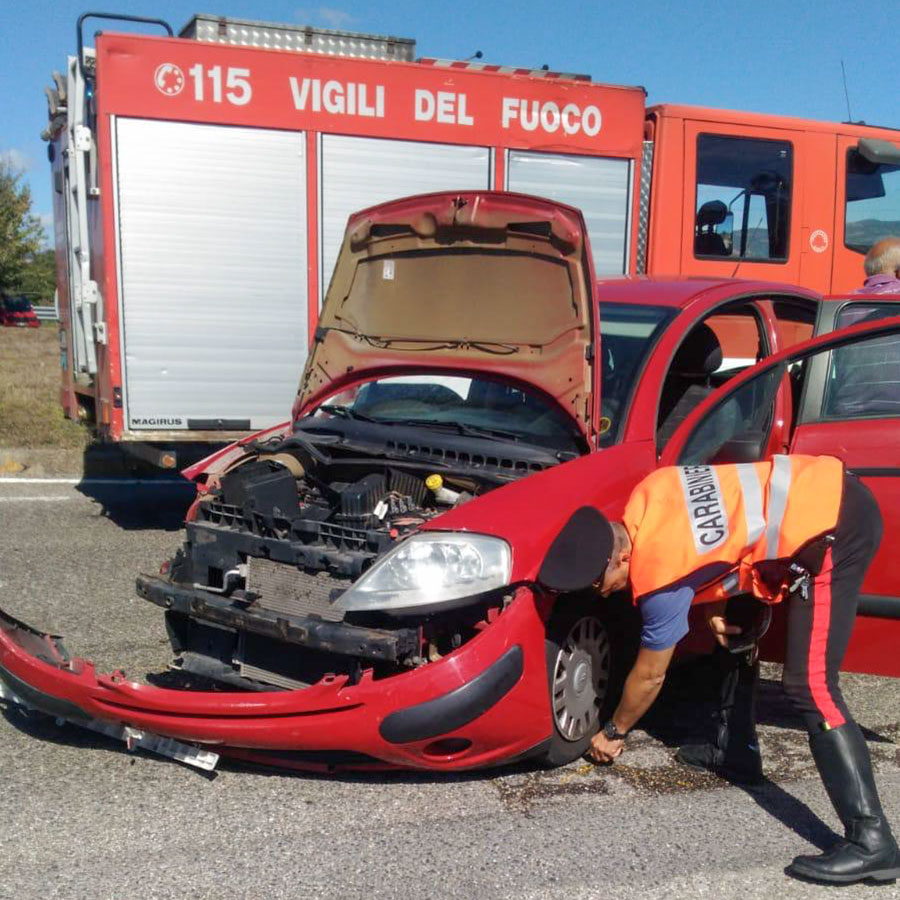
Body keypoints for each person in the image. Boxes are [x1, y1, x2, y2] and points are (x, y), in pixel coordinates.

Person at [545, 456, 898, 885]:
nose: (602, 596)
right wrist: (715, 603)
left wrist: (615, 732)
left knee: (811, 684)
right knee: (736, 629)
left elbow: (651, 674)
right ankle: (734, 749)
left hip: (833, 526)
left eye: (600, 584)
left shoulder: (658, 576)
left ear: (622, 557)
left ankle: (872, 841)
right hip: (824, 489)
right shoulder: (650, 492)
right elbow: (715, 533)